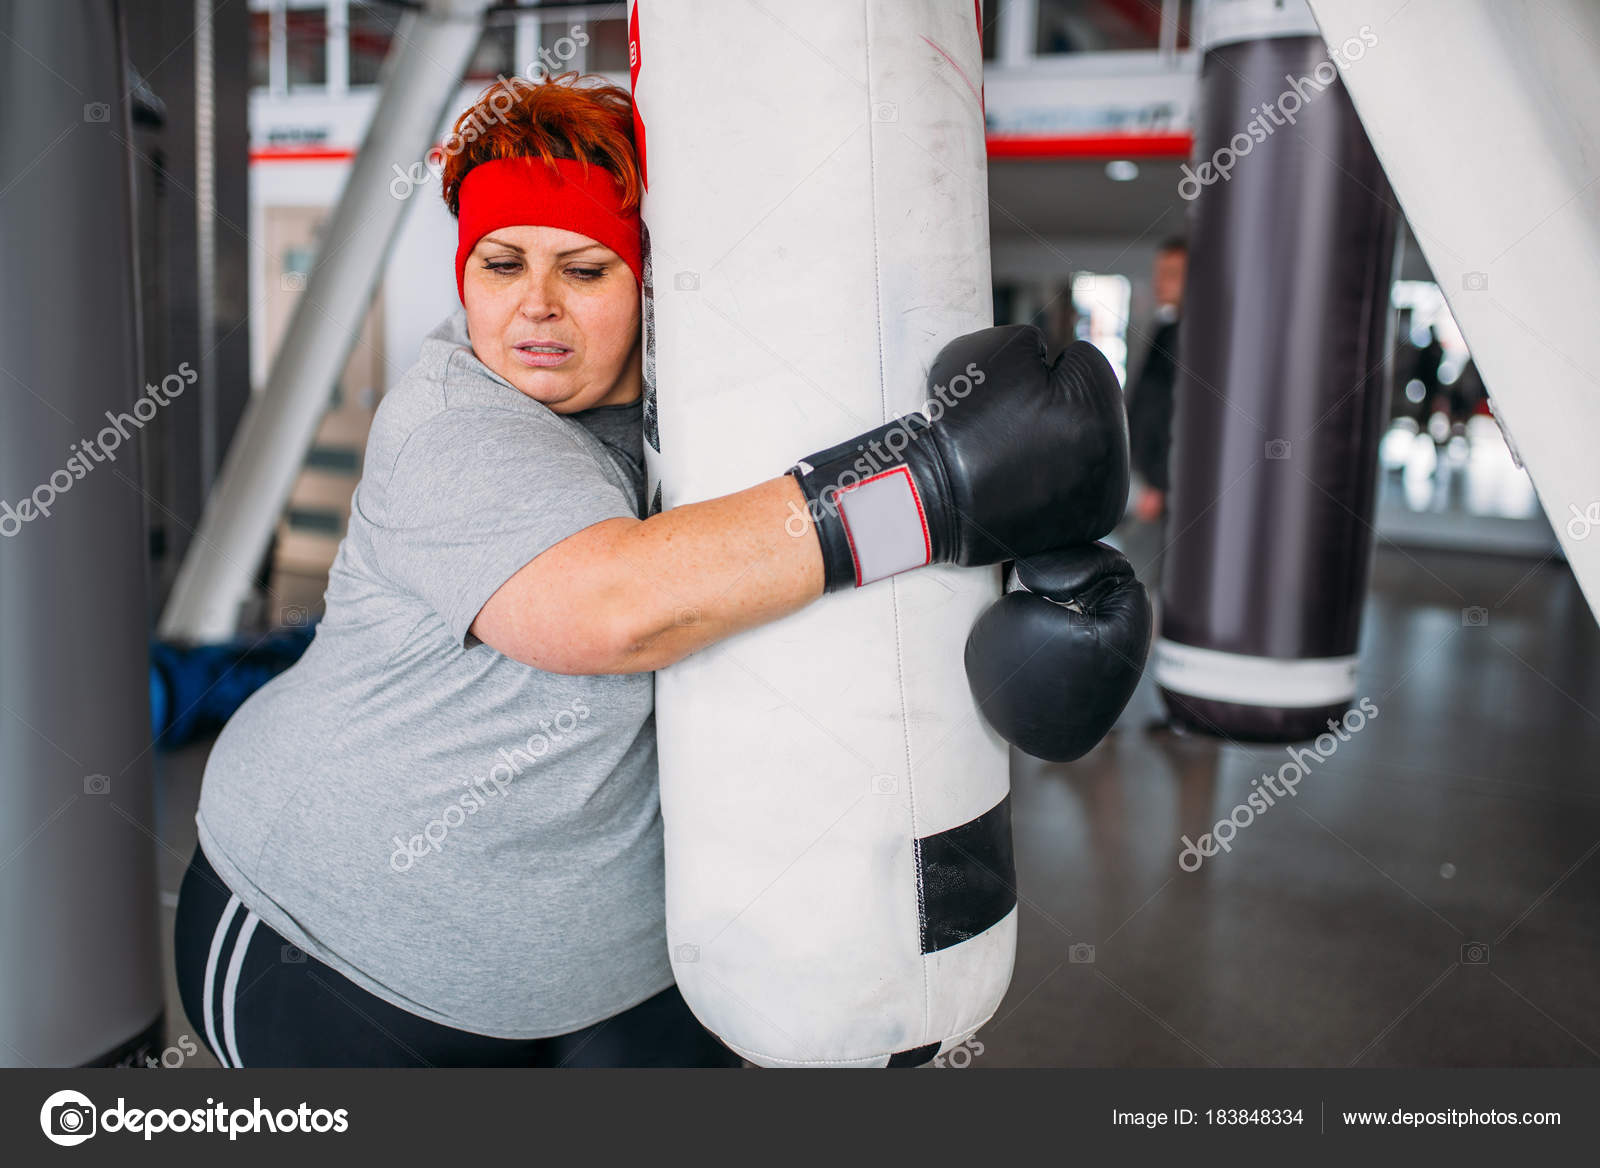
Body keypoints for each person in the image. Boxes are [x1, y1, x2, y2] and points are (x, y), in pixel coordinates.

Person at [172, 73, 1134, 1068]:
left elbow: (796, 582)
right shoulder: (453, 425)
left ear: (649, 276)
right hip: (328, 948)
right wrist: (937, 488)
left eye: (583, 271)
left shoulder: (723, 411)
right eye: (500, 264)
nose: (533, 309)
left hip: (615, 968)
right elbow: (616, 609)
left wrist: (1007, 580)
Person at [1124, 237, 1186, 523]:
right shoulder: (1168, 329)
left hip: (1169, 484)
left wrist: (1160, 483)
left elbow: (1172, 409)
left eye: (1172, 274)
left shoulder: (1187, 337)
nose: (1160, 282)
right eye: (1159, 272)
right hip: (1152, 476)